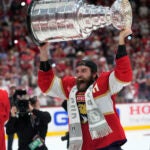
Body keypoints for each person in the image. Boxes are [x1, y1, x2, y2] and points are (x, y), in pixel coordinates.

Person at [38, 28, 133, 150]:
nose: (79, 74)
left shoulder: (104, 82)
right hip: (85, 145)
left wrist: (121, 41)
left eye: (84, 71)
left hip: (108, 142)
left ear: (94, 74)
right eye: (77, 71)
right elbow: (47, 85)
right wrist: (43, 51)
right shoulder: (71, 86)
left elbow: (124, 75)